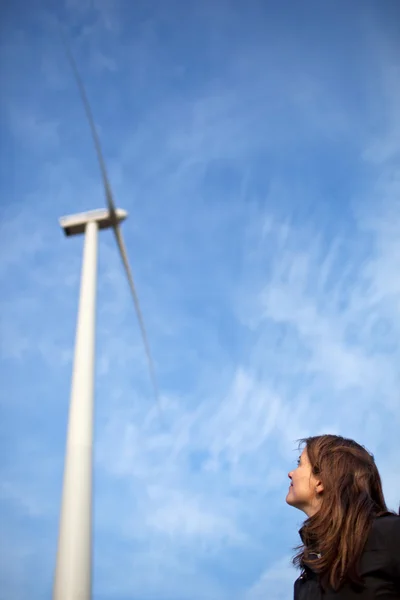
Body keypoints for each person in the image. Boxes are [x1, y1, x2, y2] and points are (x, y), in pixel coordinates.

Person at [286, 434, 400, 599]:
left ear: (321, 480)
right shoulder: (305, 582)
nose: (291, 473)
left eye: (300, 464)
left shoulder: (389, 534)